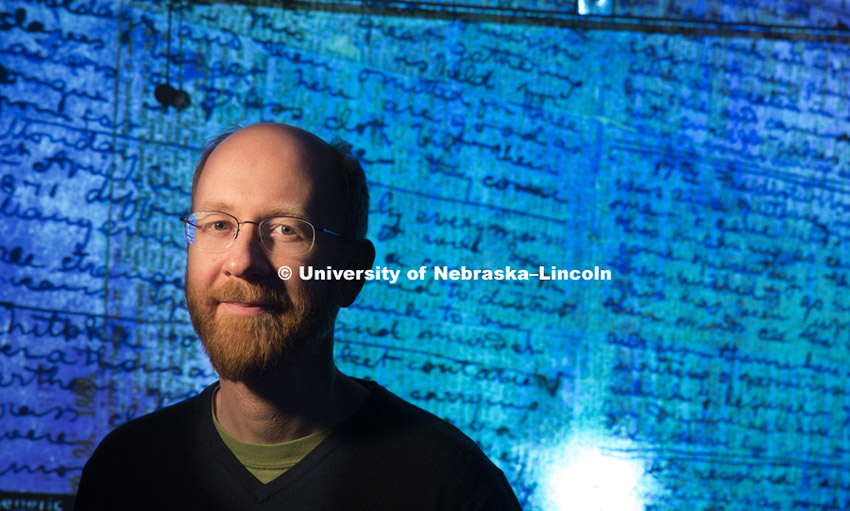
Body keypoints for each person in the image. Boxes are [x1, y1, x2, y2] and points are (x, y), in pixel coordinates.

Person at [73, 123, 522, 510]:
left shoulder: (453, 487)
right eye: (218, 224)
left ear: (351, 273)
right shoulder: (122, 471)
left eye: (286, 229)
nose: (242, 261)